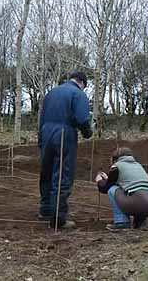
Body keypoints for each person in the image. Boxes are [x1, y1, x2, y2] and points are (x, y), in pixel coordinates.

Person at [38, 71, 93, 229]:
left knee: (46, 172)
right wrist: (87, 132)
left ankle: (45, 210)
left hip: (46, 131)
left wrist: (41, 140)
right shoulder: (78, 94)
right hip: (64, 133)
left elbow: (41, 118)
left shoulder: (51, 92)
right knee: (62, 173)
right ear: (82, 82)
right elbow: (83, 118)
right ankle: (58, 218)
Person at [95, 147, 148, 230]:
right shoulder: (138, 166)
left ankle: (121, 222)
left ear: (115, 158)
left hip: (138, 203)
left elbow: (106, 187)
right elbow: (128, 183)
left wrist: (99, 181)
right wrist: (108, 178)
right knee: (135, 191)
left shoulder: (116, 166)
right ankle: (141, 223)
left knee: (112, 189)